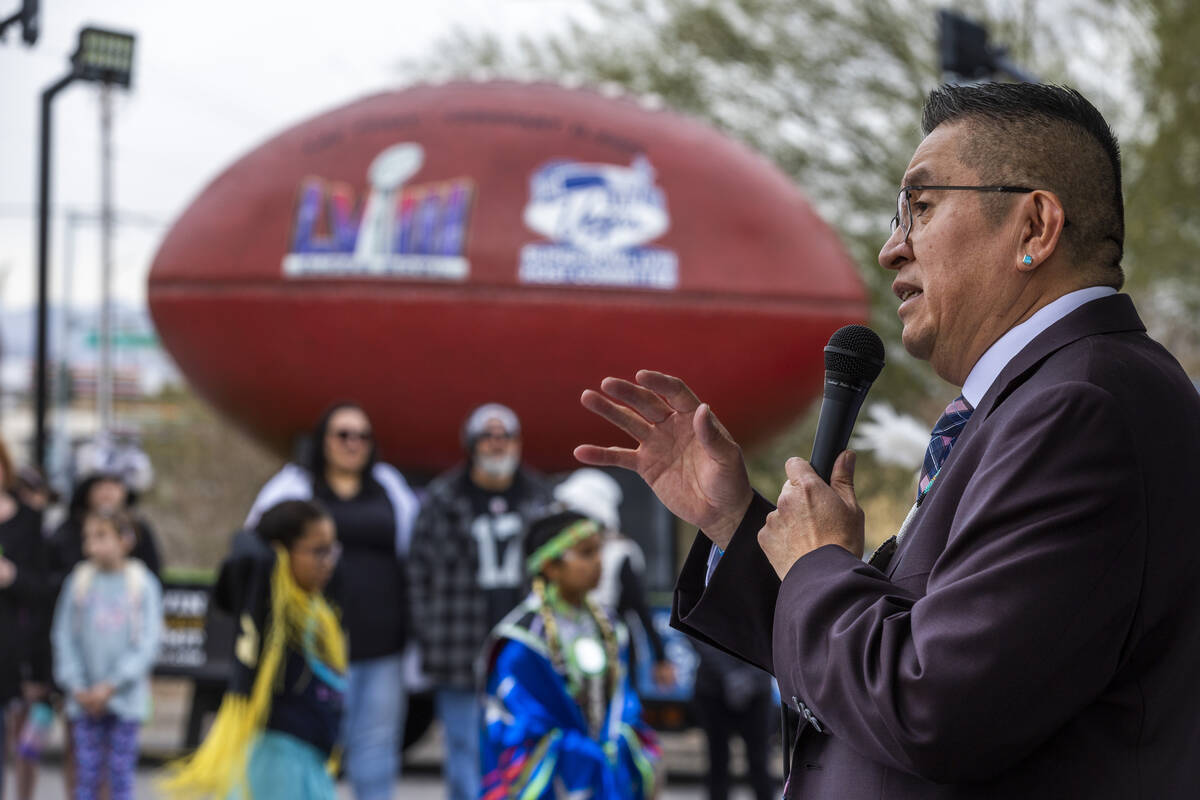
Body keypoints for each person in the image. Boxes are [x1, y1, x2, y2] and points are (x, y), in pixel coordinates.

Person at [576, 82, 1200, 798]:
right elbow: (891, 657)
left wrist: (819, 562)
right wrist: (737, 525)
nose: (890, 248)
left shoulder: (1082, 411)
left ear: (1034, 227)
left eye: (921, 208)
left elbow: (930, 707)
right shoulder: (1040, 400)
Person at [245, 402, 419, 800]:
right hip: (314, 649)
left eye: (362, 436)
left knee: (376, 750)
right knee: (310, 746)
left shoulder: (389, 486)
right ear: (322, 440)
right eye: (342, 434)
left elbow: (413, 552)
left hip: (382, 645)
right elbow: (256, 545)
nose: (352, 443)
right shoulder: (295, 485)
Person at [407, 402, 553, 800]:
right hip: (457, 646)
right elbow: (418, 571)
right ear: (471, 444)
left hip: (524, 646)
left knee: (523, 744)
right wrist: (428, 631)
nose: (496, 444)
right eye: (487, 436)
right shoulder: (443, 497)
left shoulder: (539, 497)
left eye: (505, 436)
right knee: (464, 748)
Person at [162, 500, 345, 800]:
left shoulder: (316, 609)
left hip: (311, 757)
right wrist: (267, 553)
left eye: (333, 550)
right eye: (318, 551)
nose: (329, 562)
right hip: (277, 758)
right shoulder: (271, 609)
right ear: (281, 553)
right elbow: (246, 557)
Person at [480, 510, 661, 799]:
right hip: (555, 783)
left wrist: (621, 739)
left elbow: (625, 705)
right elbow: (515, 725)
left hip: (607, 777)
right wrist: (578, 751)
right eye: (586, 553)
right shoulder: (522, 642)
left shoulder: (611, 629)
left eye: (599, 551)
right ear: (550, 566)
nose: (598, 561)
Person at [51, 509, 162, 800]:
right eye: (88, 537)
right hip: (83, 699)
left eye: (101, 536)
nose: (91, 545)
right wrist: (77, 685)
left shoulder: (143, 584)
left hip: (124, 701)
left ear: (125, 540)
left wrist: (112, 685)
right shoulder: (78, 582)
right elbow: (63, 637)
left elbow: (148, 642)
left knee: (120, 778)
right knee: (86, 778)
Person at [553, 468, 676, 690]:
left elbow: (640, 607)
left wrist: (661, 658)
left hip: (611, 648)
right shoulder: (555, 553)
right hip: (565, 644)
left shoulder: (620, 552)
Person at [0, 439, 49, 800]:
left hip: (13, 655)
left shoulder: (29, 522)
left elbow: (43, 588)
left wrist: (12, 576)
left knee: (18, 744)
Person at [690, 640, 776, 800]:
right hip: (712, 688)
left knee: (760, 762)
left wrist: (751, 675)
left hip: (757, 690)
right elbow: (692, 628)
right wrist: (728, 674)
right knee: (718, 761)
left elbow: (774, 634)